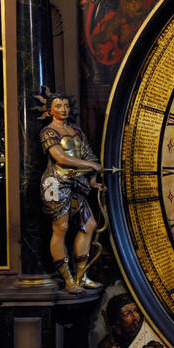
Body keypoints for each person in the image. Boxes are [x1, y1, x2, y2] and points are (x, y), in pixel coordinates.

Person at [36, 91, 104, 292]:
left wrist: (92, 179)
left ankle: (82, 277)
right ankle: (68, 279)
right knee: (61, 228)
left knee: (89, 224)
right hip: (54, 183)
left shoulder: (76, 132)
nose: (63, 109)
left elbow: (89, 155)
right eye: (58, 106)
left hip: (76, 182)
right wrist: (89, 166)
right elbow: (61, 158)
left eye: (66, 105)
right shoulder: (48, 132)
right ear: (50, 110)